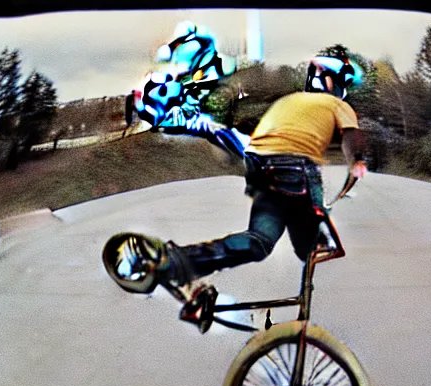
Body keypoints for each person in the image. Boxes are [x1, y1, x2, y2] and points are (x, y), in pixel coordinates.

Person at [104, 45, 368, 298]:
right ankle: (314, 241)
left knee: (259, 242)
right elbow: (350, 137)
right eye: (342, 86)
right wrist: (357, 161)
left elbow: (245, 135)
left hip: (259, 163)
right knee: (312, 243)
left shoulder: (290, 102)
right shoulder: (335, 105)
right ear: (332, 84)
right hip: (291, 165)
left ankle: (172, 263)